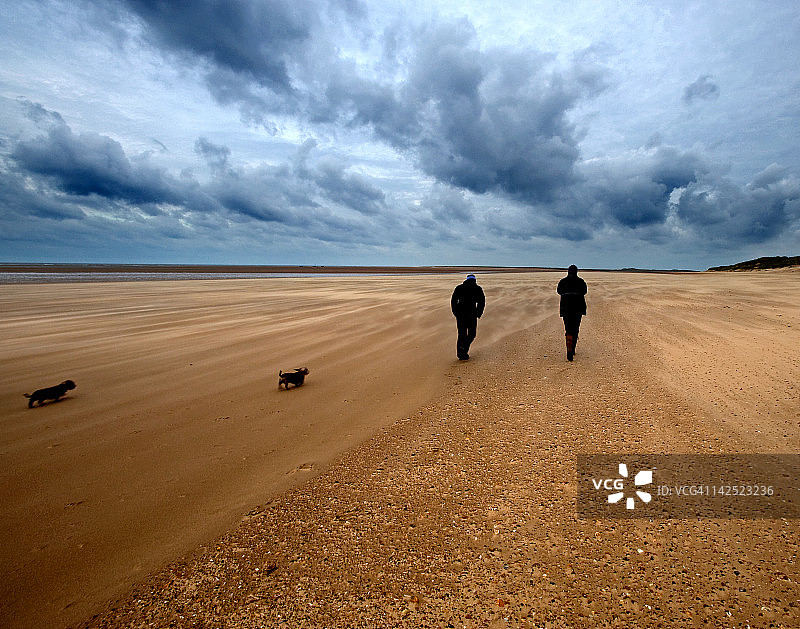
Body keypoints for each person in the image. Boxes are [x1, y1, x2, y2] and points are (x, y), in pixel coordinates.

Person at [450, 273, 485, 360]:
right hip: (472, 314)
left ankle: (461, 352)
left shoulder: (459, 288)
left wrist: (455, 312)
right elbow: (482, 302)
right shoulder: (477, 288)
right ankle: (463, 350)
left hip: (461, 315)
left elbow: (453, 301)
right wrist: (478, 313)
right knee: (472, 334)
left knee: (462, 334)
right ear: (474, 280)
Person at [557, 265, 587, 361]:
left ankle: (569, 349)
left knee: (568, 329)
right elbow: (584, 292)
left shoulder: (562, 281)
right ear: (576, 272)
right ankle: (572, 348)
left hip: (566, 308)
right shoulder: (581, 281)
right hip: (578, 308)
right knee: (576, 328)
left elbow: (559, 291)